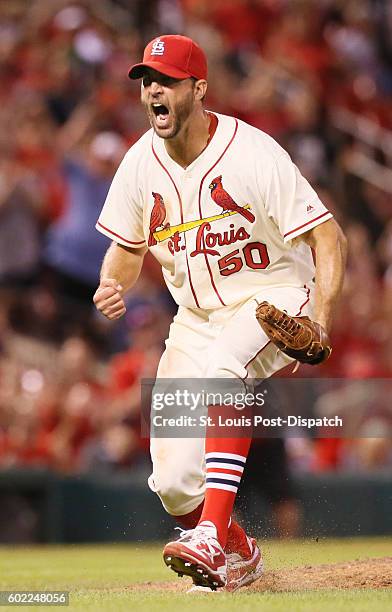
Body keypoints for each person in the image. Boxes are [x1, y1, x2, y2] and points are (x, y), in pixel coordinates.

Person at [93, 34, 347, 591]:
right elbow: (127, 247)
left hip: (272, 295)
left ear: (198, 88)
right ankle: (239, 549)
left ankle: (209, 535)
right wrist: (112, 281)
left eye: (167, 81)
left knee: (225, 368)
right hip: (195, 319)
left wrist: (321, 318)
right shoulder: (140, 163)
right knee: (174, 482)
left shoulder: (252, 152)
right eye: (146, 81)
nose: (154, 91)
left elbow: (329, 238)